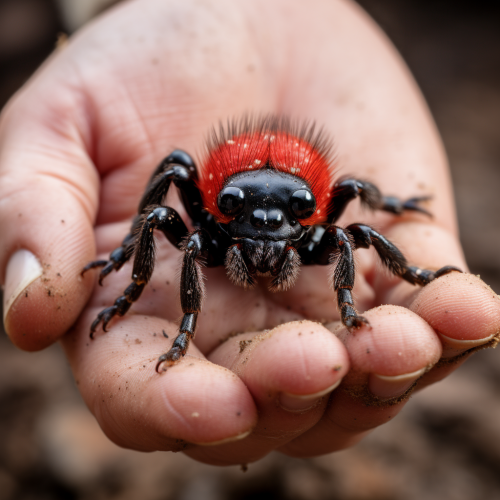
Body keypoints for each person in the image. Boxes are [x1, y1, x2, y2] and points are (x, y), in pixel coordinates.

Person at [0, 0, 498, 466]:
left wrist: (371, 272)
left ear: (307, 212)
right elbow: (174, 192)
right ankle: (152, 293)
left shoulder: (316, 227)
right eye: (245, 215)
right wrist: (135, 265)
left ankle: (392, 272)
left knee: (352, 234)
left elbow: (346, 198)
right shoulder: (209, 227)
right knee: (171, 218)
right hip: (238, 195)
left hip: (264, 190)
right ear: (221, 203)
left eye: (287, 221)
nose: (264, 235)